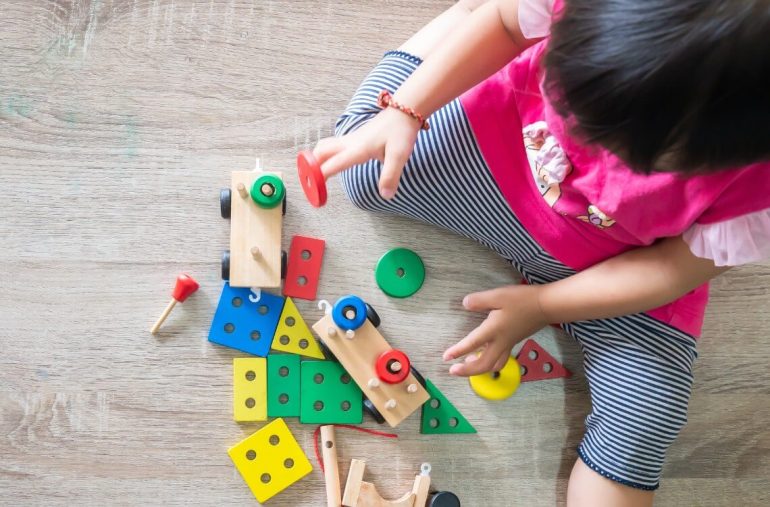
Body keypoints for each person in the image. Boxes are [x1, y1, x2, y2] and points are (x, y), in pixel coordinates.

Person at [310, 0, 770, 504]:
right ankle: (453, 26)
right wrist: (406, 111)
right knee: (363, 169)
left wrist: (547, 304)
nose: (580, 145)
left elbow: (669, 270)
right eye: (570, 99)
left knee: (647, 411)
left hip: (617, 265)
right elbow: (506, 25)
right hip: (499, 150)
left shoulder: (759, 191)